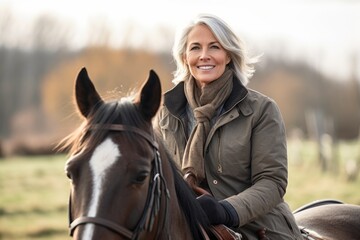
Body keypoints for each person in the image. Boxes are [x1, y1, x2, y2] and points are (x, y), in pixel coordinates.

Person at [154, 13, 303, 240]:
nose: (204, 56)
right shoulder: (164, 110)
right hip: (182, 226)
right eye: (195, 48)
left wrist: (226, 210)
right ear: (184, 57)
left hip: (256, 227)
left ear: (229, 55)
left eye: (214, 47)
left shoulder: (262, 110)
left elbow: (272, 182)